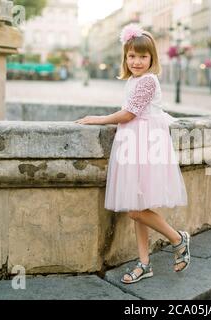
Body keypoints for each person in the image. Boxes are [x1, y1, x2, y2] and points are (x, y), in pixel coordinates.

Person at [75, 24, 190, 284]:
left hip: (145, 146)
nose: (137, 61)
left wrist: (98, 119)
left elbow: (129, 114)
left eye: (142, 56)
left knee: (136, 210)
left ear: (152, 59)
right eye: (131, 56)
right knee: (139, 206)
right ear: (125, 58)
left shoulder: (148, 80)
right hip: (133, 143)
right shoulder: (133, 80)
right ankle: (144, 263)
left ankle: (177, 239)